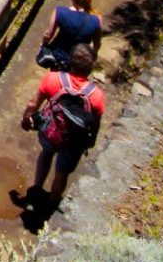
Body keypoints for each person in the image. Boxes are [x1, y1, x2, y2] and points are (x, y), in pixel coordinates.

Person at [17, 43, 106, 209]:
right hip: (74, 142)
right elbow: (95, 123)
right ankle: (51, 204)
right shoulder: (97, 96)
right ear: (89, 68)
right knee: (62, 172)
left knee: (46, 154)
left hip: (51, 132)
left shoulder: (53, 79)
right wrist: (91, 140)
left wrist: (26, 118)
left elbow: (32, 104)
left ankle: (37, 189)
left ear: (70, 62)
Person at [35, 0, 103, 70]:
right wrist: (94, 54)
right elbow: (97, 43)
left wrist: (43, 45)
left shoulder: (60, 11)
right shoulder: (96, 20)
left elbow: (48, 34)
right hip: (78, 61)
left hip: (58, 57)